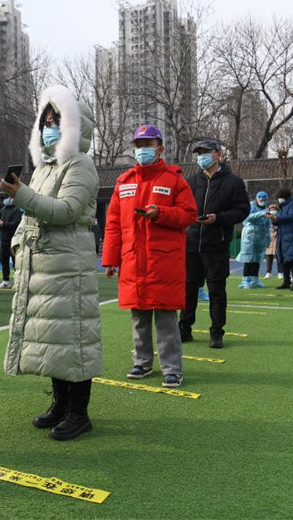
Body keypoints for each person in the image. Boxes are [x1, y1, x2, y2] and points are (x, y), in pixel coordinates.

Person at [0, 84, 101, 440]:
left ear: (74, 126)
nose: (48, 127)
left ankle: (79, 412)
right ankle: (60, 404)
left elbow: (67, 210)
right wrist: (16, 247)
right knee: (52, 338)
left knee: (73, 337)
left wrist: (21, 195)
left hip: (67, 262)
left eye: (56, 121)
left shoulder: (81, 164)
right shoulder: (43, 168)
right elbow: (30, 216)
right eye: (44, 121)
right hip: (42, 263)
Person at [102, 124, 197, 388]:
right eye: (139, 145)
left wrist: (161, 214)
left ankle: (172, 369)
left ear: (160, 148)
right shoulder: (123, 182)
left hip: (164, 261)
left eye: (149, 144)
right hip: (133, 260)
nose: (143, 150)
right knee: (139, 316)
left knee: (166, 318)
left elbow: (189, 214)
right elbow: (113, 223)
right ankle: (142, 363)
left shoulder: (175, 180)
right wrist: (110, 259)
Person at [179, 140, 250, 348]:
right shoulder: (191, 181)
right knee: (188, 288)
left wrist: (218, 218)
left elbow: (242, 210)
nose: (201, 156)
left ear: (217, 154)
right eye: (199, 153)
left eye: (206, 152)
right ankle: (184, 328)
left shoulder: (233, 182)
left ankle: (216, 332)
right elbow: (183, 208)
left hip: (216, 245)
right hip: (191, 244)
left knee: (216, 290)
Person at [266, 188, 293, 291]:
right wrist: (273, 220)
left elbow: (290, 217)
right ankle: (286, 281)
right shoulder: (282, 207)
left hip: (292, 236)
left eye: (280, 198)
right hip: (282, 236)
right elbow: (280, 221)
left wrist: (277, 218)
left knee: (292, 260)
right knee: (284, 260)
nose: (279, 200)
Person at [235, 191, 271, 289]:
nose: (263, 201)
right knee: (248, 258)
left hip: (261, 236)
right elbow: (247, 218)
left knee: (258, 258)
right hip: (249, 235)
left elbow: (268, 224)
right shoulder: (250, 206)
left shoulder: (267, 209)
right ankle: (246, 279)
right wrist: (261, 213)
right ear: (257, 199)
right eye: (261, 199)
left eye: (265, 200)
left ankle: (254, 279)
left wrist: (268, 238)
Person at [0, 194, 22, 288]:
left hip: (13, 240)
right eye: (3, 199)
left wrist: (4, 225)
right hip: (3, 240)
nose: (5, 200)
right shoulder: (2, 210)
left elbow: (17, 223)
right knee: (4, 261)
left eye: (6, 198)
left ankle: (17, 281)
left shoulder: (17, 210)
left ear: (12, 199)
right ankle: (5, 281)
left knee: (16, 261)